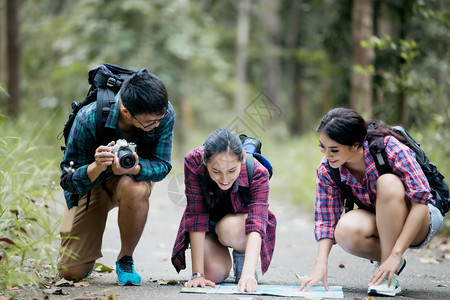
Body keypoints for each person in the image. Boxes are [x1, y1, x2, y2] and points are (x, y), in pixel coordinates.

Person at [300, 108, 443, 297]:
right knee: (344, 230)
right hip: (380, 219)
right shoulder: (328, 169)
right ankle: (389, 264)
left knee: (387, 182)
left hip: (421, 218)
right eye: (322, 147)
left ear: (355, 145)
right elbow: (326, 220)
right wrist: (320, 264)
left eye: (334, 150)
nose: (327, 155)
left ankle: (387, 273)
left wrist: (395, 254)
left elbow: (421, 202)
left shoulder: (389, 148)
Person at [58, 71, 175, 286]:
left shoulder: (163, 114)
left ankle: (125, 259)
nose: (156, 125)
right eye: (149, 123)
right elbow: (67, 177)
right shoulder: (88, 117)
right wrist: (95, 167)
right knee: (71, 273)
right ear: (126, 111)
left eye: (159, 120)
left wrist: (136, 167)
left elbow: (163, 165)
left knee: (136, 188)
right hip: (91, 184)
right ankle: (88, 255)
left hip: (129, 181)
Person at [171, 128, 277, 292]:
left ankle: (243, 263)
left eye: (231, 170)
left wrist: (248, 273)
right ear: (205, 161)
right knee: (213, 274)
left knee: (230, 228)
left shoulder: (257, 172)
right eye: (216, 171)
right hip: (208, 227)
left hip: (238, 227)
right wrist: (197, 274)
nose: (225, 179)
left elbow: (257, 222)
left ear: (242, 158)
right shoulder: (193, 161)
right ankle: (218, 262)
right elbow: (196, 214)